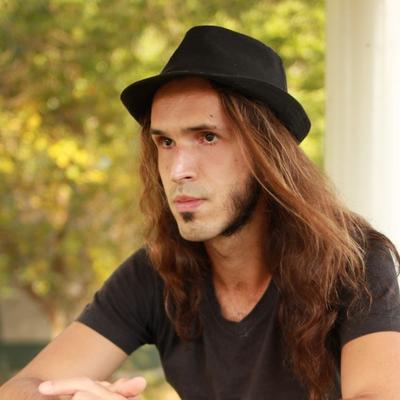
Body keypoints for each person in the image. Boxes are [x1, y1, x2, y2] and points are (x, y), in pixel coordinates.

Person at [1, 25, 400, 400]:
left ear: (268, 154)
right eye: (166, 142)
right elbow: (21, 388)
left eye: (207, 137)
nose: (178, 170)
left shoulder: (354, 263)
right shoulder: (156, 273)